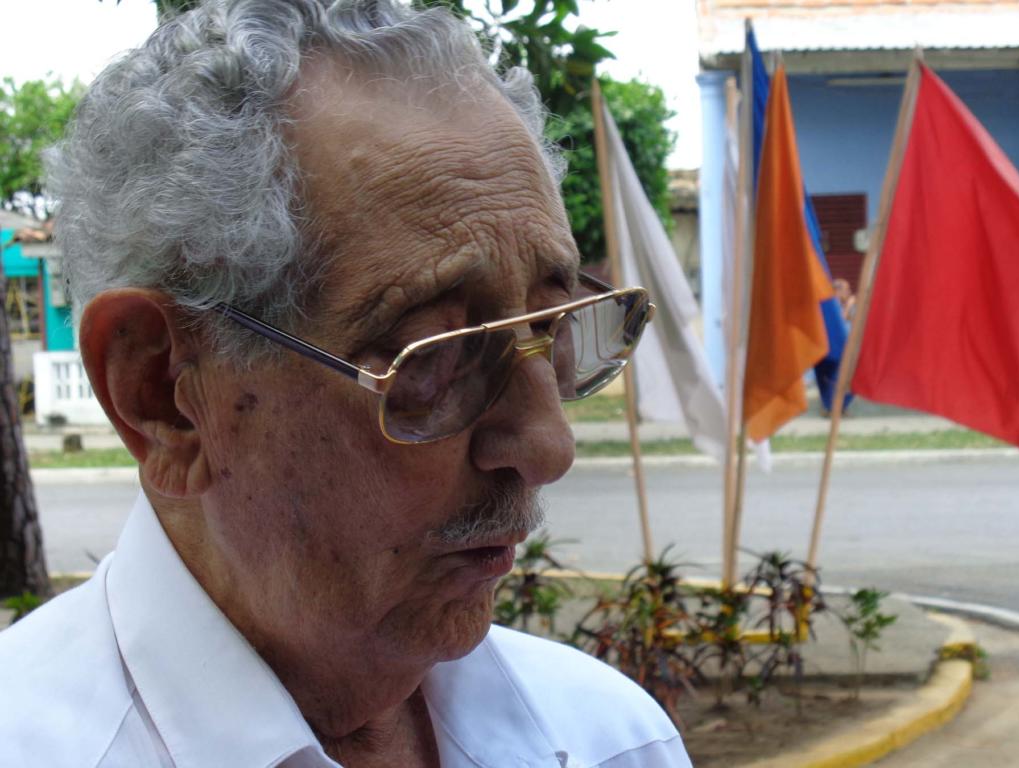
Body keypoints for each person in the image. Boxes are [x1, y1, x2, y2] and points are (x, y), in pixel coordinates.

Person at [0, 1, 691, 766]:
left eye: (552, 326)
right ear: (164, 395)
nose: (549, 447)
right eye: (436, 358)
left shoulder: (613, 741)